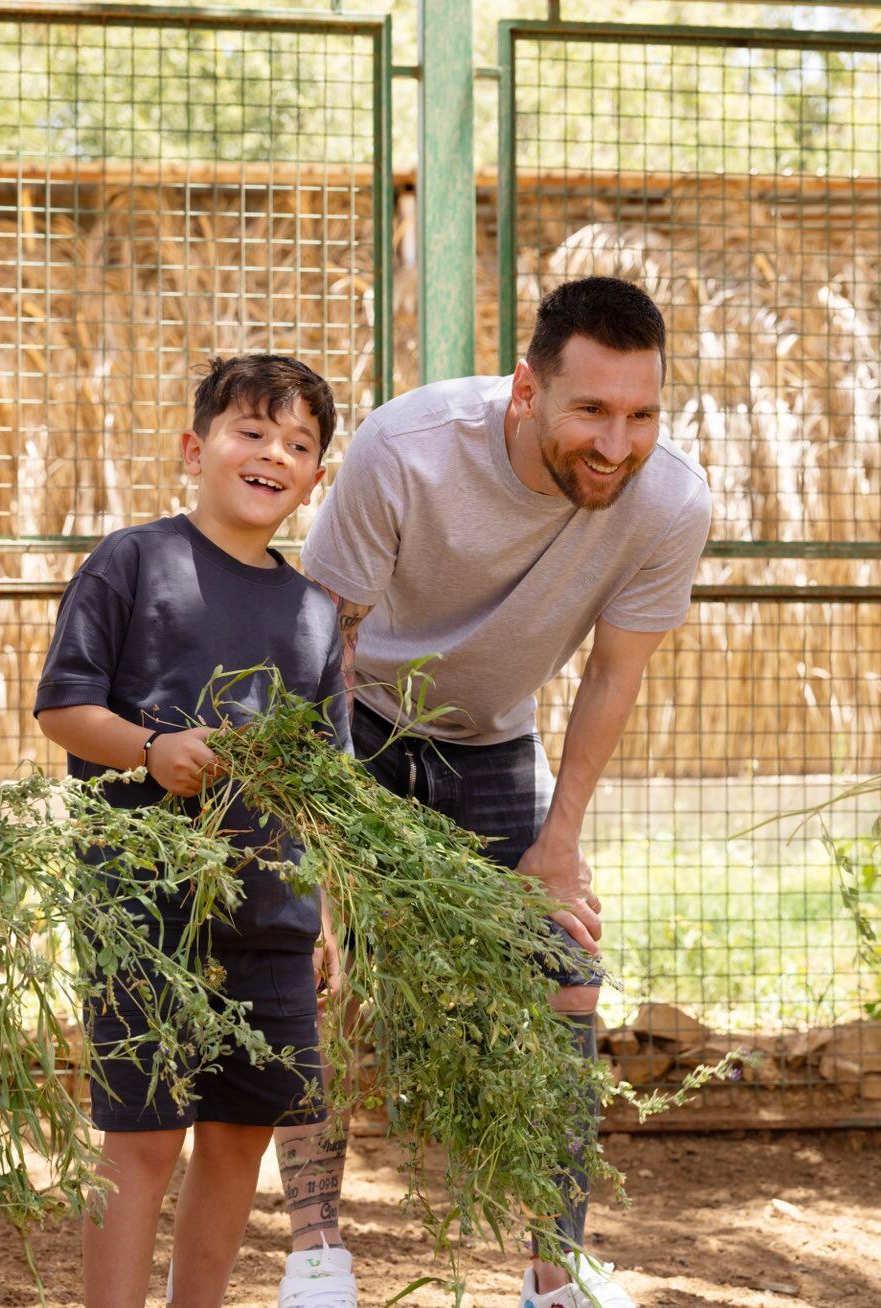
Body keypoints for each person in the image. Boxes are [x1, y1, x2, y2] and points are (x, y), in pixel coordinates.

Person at [291, 275, 712, 1308]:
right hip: (358, 723)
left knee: (566, 967)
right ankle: (315, 1255)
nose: (616, 444)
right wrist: (320, 842)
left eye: (641, 415)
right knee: (315, 977)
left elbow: (614, 674)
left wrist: (558, 844)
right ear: (527, 388)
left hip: (489, 742)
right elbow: (319, 650)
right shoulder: (406, 449)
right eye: (591, 412)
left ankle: (552, 1269)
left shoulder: (669, 503)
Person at [33, 354, 353, 1308]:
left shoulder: (312, 613)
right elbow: (62, 708)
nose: (272, 454)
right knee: (139, 1141)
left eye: (298, 444)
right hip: (142, 906)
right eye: (251, 432)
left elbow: (320, 792)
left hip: (272, 918)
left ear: (316, 479)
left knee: (238, 1137)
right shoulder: (133, 561)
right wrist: (148, 750)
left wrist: (324, 915)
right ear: (195, 447)